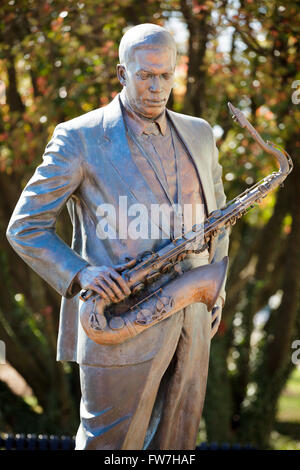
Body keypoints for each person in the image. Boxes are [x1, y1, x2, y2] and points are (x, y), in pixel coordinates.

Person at [6, 23, 229, 450]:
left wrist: (216, 291)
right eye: (145, 76)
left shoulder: (200, 134)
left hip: (195, 323)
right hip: (118, 325)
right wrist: (82, 274)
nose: (156, 88)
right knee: (108, 449)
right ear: (122, 73)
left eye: (166, 76)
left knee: (176, 450)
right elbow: (25, 226)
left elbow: (219, 219)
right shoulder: (79, 138)